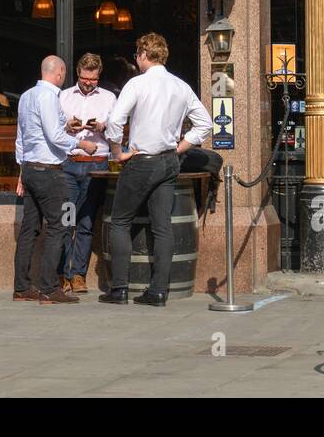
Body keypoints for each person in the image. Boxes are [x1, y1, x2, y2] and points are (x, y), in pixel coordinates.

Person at [101, 33, 212, 307]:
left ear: (142, 54)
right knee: (162, 227)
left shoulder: (136, 84)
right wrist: (178, 148)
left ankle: (119, 289)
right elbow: (205, 124)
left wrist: (117, 153)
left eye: (136, 54)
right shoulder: (181, 86)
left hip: (141, 161)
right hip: (168, 160)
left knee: (120, 222)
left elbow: (115, 121)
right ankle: (159, 291)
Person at [13, 56, 97, 305]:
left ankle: (21, 287)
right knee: (59, 226)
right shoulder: (50, 97)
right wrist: (82, 143)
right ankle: (49, 288)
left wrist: (21, 171)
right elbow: (54, 136)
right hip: (49, 171)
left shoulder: (27, 96)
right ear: (59, 72)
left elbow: (22, 137)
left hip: (30, 168)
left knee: (29, 229)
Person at [57, 53, 115, 293]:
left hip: (96, 166)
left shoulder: (110, 97)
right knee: (66, 220)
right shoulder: (63, 96)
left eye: (93, 79)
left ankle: (79, 275)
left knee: (86, 221)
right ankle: (63, 274)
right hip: (69, 165)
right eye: (84, 78)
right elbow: (53, 128)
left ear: (98, 76)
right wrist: (66, 126)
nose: (88, 83)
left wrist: (102, 127)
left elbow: (117, 129)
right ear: (78, 73)